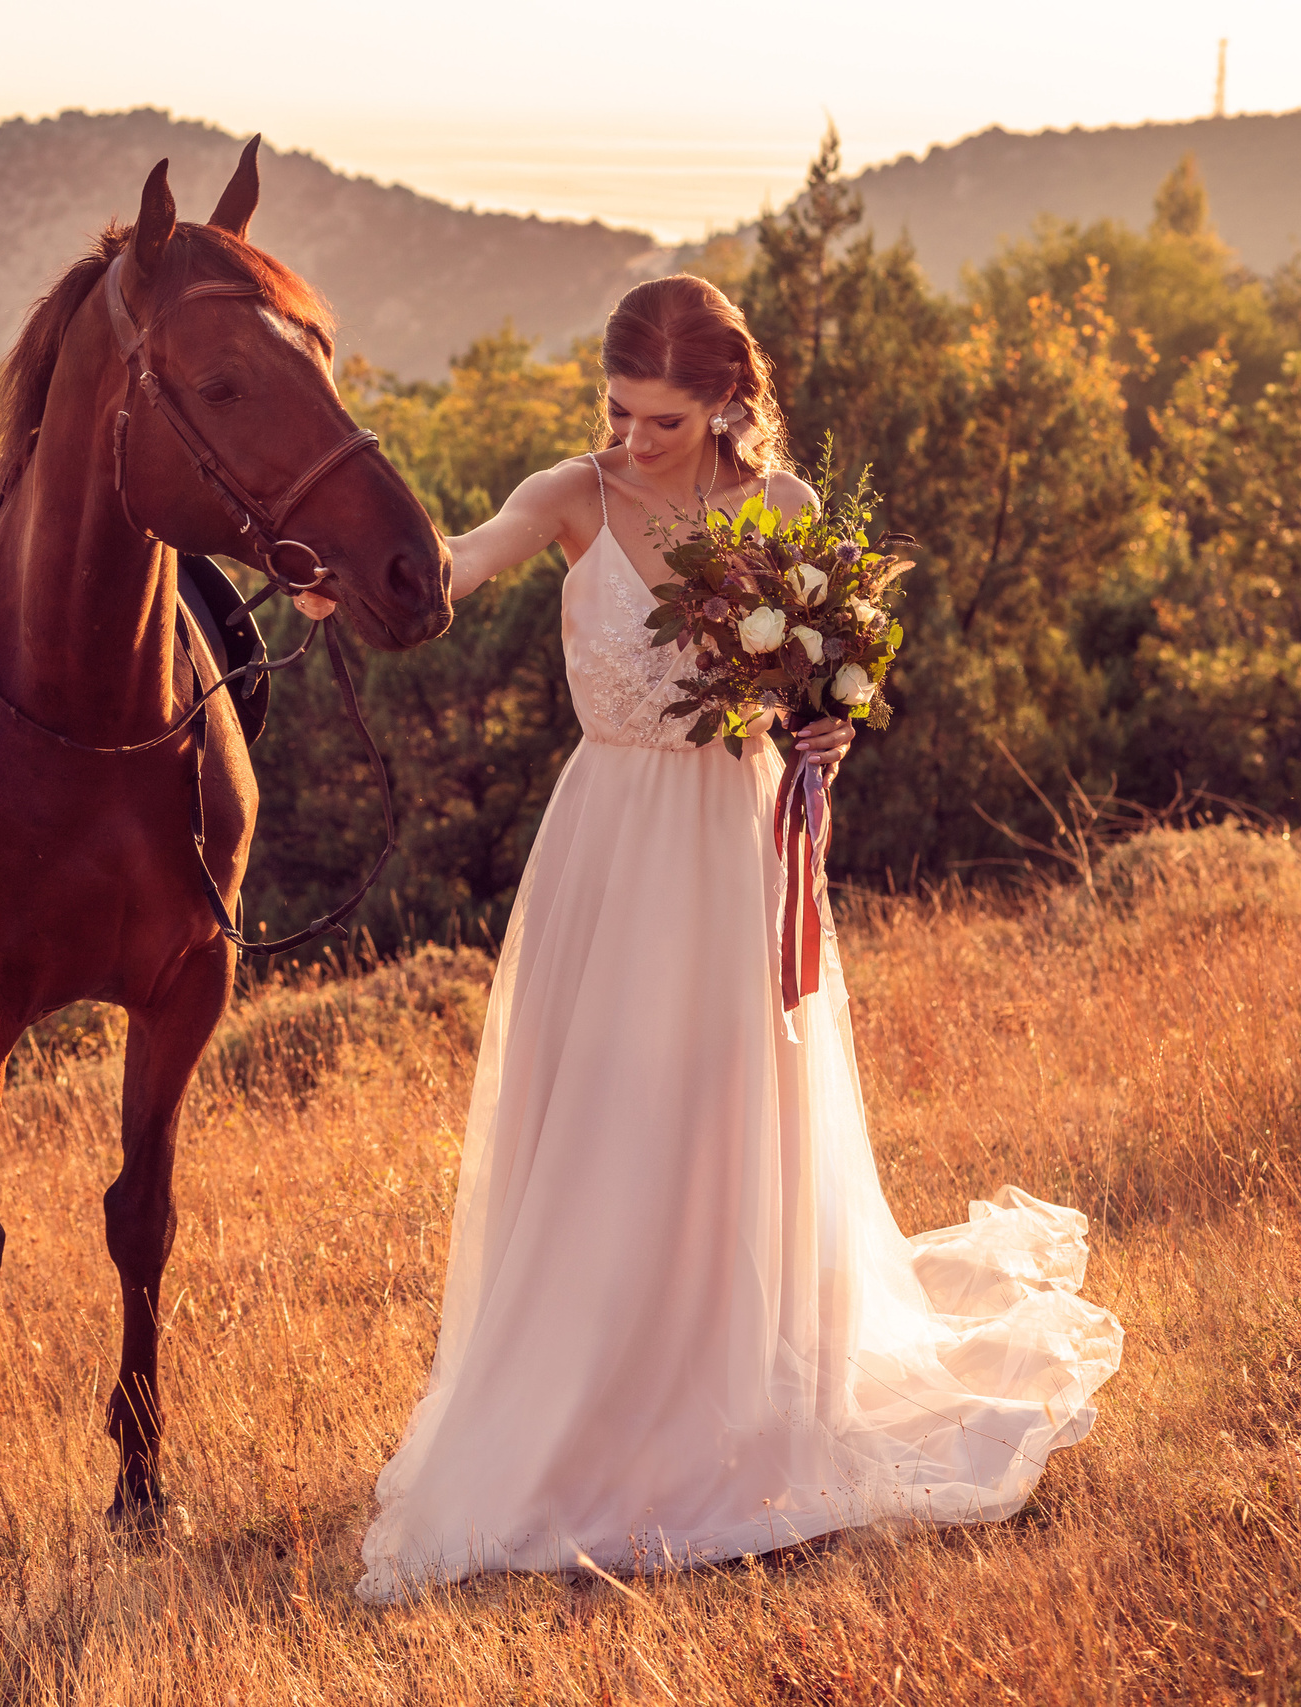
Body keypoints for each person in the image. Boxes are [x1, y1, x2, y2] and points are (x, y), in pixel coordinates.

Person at [356, 275, 1123, 1598]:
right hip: (605, 843)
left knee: (723, 1109)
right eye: (616, 410)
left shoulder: (788, 515)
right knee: (598, 1110)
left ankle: (732, 1382)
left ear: (724, 405)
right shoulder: (573, 497)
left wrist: (832, 723)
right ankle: (585, 1389)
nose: (631, 439)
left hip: (735, 838)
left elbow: (819, 687)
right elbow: (461, 560)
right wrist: (359, 580)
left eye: (659, 421)